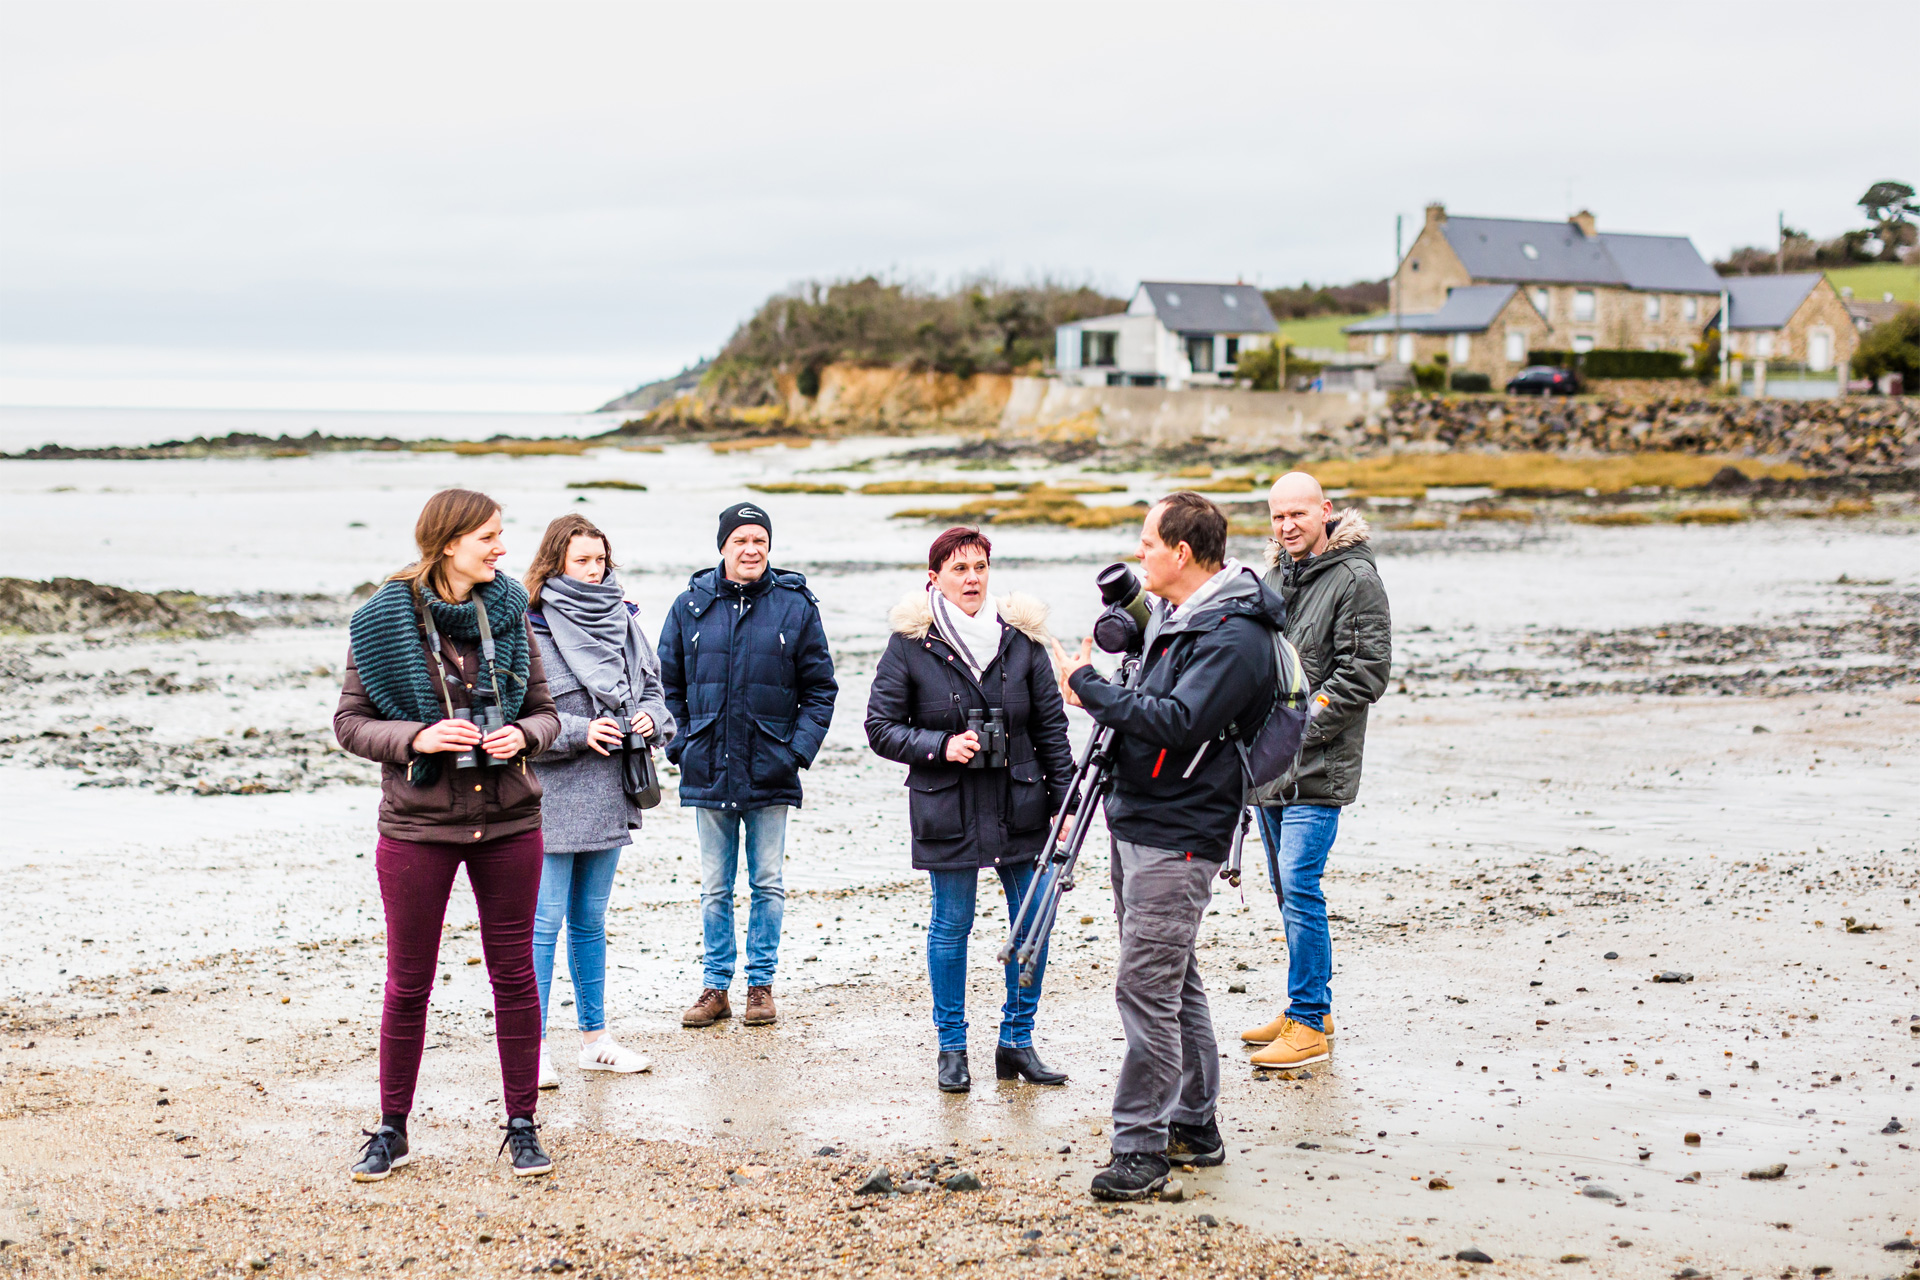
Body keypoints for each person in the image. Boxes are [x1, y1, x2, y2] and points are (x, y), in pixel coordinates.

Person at [1057, 491, 1285, 1201]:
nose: (1140, 555)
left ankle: (1142, 1149)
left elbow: (1180, 721)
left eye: (1148, 543)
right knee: (1173, 978)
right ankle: (1195, 1123)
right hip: (1143, 814)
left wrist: (1086, 685)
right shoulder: (1184, 615)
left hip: (1182, 828)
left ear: (1182, 553)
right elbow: (1154, 700)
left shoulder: (1233, 634)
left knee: (1145, 986)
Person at [333, 488, 561, 1182]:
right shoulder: (380, 623)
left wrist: (519, 734)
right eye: (490, 537)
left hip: (510, 821)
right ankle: (392, 1129)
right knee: (408, 983)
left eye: (501, 535)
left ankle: (522, 1125)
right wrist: (419, 737)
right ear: (449, 542)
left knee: (515, 977)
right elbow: (349, 724)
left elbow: (548, 713)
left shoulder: (513, 611)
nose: (502, 549)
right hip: (418, 827)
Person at [864, 527, 1077, 1093]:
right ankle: (951, 1048)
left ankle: (1017, 1041)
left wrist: (1067, 805)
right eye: (959, 569)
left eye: (980, 567)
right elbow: (879, 728)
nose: (973, 578)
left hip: (1021, 802)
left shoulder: (1022, 642)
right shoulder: (910, 643)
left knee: (1032, 924)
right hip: (947, 804)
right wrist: (941, 746)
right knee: (951, 926)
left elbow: (1053, 731)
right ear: (934, 578)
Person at [657, 501, 837, 1029]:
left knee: (767, 884)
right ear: (723, 547)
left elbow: (821, 690)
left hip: (771, 769)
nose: (751, 549)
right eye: (741, 540)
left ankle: (761, 986)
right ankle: (716, 988)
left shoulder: (796, 606)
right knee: (715, 887)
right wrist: (681, 746)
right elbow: (664, 687)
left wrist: (795, 751)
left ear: (769, 547)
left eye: (759, 539)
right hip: (707, 766)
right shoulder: (689, 605)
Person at [1239, 472, 1392, 1070]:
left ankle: (1307, 1024)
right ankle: (1312, 1004)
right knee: (1284, 887)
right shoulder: (1275, 575)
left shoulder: (1356, 579)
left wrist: (1298, 728)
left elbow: (1367, 674)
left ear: (1325, 511)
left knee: (1300, 885)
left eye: (1298, 514)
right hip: (1268, 766)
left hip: (1319, 766)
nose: (1287, 526)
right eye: (1278, 516)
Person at [523, 514, 677, 1086]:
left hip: (614, 791)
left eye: (600, 560)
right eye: (581, 561)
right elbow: (517, 715)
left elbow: (660, 694)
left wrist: (651, 719)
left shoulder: (628, 620)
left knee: (590, 919)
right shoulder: (530, 625)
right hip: (552, 794)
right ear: (555, 563)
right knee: (543, 923)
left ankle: (595, 1039)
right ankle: (530, 1048)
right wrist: (577, 730)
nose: (593, 571)